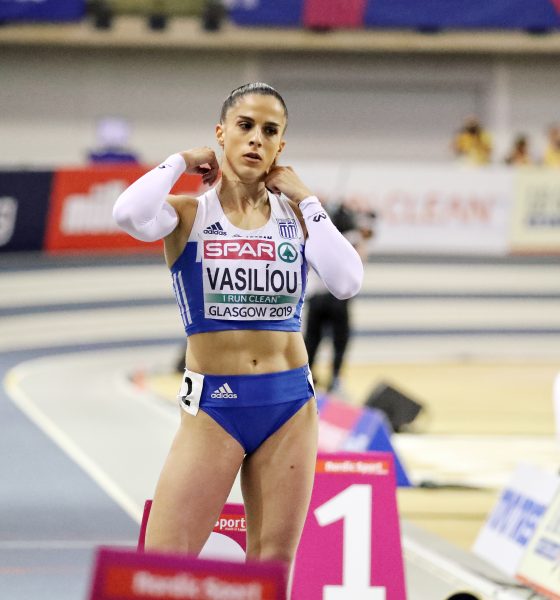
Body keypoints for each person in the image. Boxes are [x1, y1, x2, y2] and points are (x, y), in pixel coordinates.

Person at [112, 83, 363, 582]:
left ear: (280, 146)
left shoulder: (297, 217)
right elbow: (128, 214)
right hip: (215, 407)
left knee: (272, 567)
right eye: (245, 126)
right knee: (164, 564)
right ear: (221, 133)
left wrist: (307, 198)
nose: (256, 139)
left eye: (270, 131)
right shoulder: (188, 213)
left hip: (289, 405)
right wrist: (181, 161)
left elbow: (347, 281)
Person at [304, 201, 374, 393]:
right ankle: (335, 379)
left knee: (312, 340)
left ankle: (308, 378)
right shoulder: (352, 239)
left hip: (317, 297)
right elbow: (360, 262)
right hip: (338, 300)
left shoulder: (318, 237)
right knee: (339, 341)